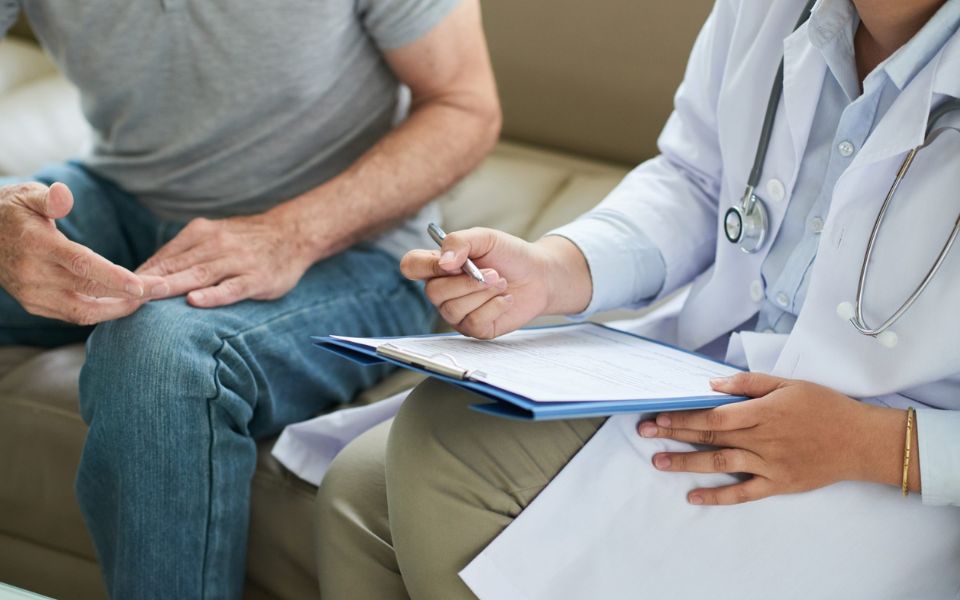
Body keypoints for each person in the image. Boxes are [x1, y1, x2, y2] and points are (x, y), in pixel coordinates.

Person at [315, 0, 960, 598]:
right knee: (359, 490)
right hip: (710, 381)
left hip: (889, 468)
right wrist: (553, 270)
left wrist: (874, 445)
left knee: (445, 445)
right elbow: (698, 181)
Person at [0, 0, 499, 597]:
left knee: (160, 357)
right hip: (122, 198)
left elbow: (464, 105)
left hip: (347, 247)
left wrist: (293, 233)